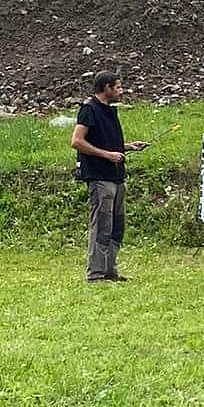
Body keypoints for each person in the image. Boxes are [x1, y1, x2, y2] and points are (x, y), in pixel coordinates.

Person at [72, 70, 146, 282]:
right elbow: (77, 141)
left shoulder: (109, 111)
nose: (121, 91)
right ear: (107, 88)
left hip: (116, 176)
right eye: (118, 87)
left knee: (116, 226)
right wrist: (107, 155)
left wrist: (128, 147)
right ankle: (95, 274)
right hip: (100, 176)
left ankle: (110, 271)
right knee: (102, 226)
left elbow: (105, 142)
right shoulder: (89, 110)